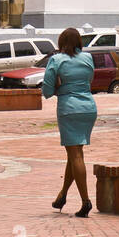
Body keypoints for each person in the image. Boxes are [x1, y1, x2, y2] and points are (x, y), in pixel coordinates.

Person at [42, 28, 96, 217]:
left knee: (76, 156)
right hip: (88, 107)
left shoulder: (57, 60)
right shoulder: (87, 58)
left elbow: (47, 90)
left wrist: (59, 87)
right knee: (74, 154)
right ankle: (62, 195)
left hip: (69, 108)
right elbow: (89, 80)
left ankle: (86, 201)